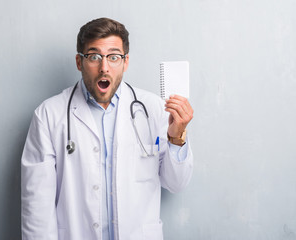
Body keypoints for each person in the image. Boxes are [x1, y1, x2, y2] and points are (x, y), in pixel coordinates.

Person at [21, 17, 194, 240]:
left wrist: (176, 137)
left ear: (125, 62)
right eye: (94, 57)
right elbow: (37, 208)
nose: (104, 67)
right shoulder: (49, 115)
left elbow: (176, 183)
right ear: (79, 62)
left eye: (113, 57)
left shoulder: (154, 109)